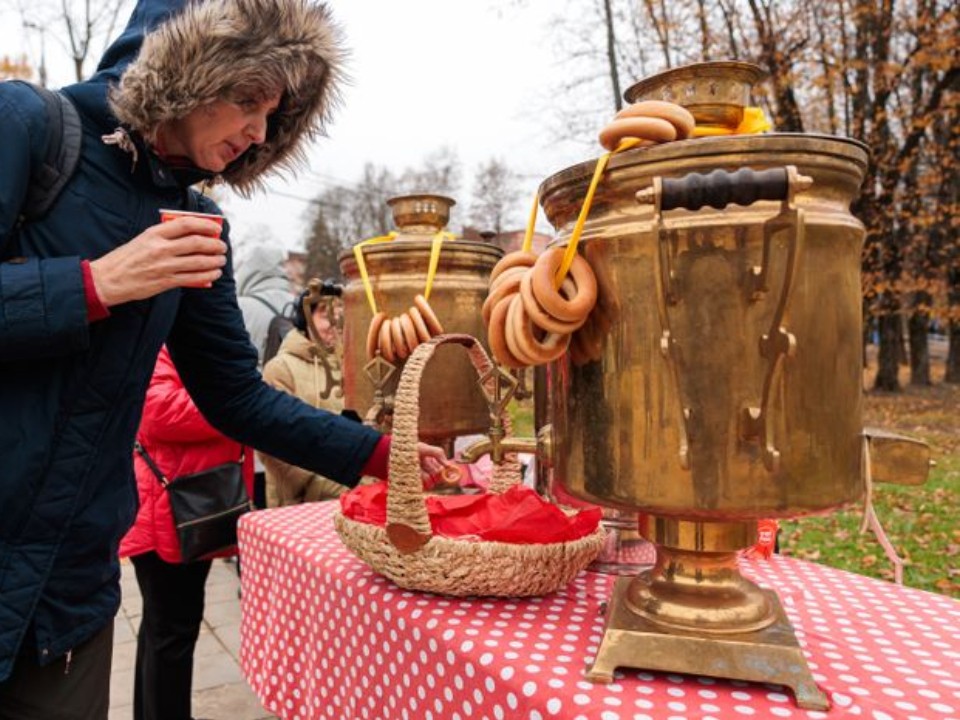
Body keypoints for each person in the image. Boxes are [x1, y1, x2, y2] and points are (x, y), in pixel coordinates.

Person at [0, 1, 446, 717]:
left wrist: (381, 454)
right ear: (180, 74)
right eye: (246, 98)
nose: (259, 132)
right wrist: (93, 284)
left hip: (70, 594)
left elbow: (235, 397)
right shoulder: (28, 127)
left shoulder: (200, 222)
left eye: (273, 115)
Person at [120, 346, 255, 720]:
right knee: (172, 633)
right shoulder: (162, 343)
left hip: (186, 505)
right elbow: (159, 413)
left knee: (162, 630)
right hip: (171, 512)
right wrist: (236, 405)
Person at [260, 287, 349, 506]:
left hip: (349, 495)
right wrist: (327, 484)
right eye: (324, 315)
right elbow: (275, 447)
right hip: (297, 507)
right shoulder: (280, 369)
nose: (333, 323)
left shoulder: (351, 366)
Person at [236, 243, 298, 508]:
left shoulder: (240, 307)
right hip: (297, 414)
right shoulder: (299, 303)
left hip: (256, 415)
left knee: (257, 502)